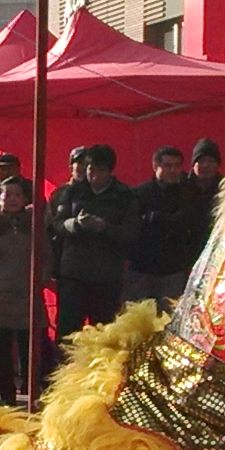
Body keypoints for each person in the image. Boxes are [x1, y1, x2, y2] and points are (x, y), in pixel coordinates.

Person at [47, 143, 137, 335]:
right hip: (73, 274)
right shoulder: (72, 192)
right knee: (68, 333)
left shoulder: (124, 195)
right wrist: (76, 224)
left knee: (105, 333)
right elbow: (57, 225)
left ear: (110, 171)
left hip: (106, 276)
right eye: (91, 169)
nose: (95, 176)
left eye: (101, 171)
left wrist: (105, 228)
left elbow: (130, 233)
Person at [124, 141, 214, 307]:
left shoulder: (188, 193)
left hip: (173, 270)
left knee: (170, 321)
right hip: (142, 268)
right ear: (155, 165)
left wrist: (156, 218)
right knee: (136, 322)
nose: (173, 170)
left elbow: (189, 221)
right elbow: (131, 228)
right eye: (167, 165)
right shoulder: (139, 193)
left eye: (177, 166)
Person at [0, 174, 39, 402]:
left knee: (30, 348)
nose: (12, 199)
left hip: (28, 293)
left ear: (25, 198)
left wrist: (41, 278)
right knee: (1, 348)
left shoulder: (33, 222)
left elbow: (45, 255)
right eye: (7, 194)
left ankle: (30, 392)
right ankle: (6, 394)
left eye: (17, 194)